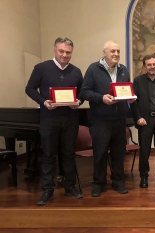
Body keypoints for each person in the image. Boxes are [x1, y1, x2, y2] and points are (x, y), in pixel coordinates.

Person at [25, 37, 83, 205]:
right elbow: (29, 88)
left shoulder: (76, 71)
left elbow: (83, 92)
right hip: (49, 118)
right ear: (55, 50)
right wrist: (43, 101)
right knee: (49, 155)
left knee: (68, 154)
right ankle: (47, 190)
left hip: (71, 119)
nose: (65, 55)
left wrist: (78, 102)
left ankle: (70, 186)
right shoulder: (41, 68)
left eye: (68, 52)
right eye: (61, 51)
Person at [80, 40, 134, 197]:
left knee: (118, 153)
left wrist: (130, 97)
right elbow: (84, 92)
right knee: (100, 153)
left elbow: (126, 90)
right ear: (104, 52)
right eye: (113, 51)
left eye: (118, 51)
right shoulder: (93, 69)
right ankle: (98, 183)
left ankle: (118, 182)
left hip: (119, 119)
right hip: (100, 120)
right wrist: (101, 98)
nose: (116, 54)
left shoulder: (123, 70)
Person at [131, 54, 155, 188]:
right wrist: (138, 118)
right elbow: (134, 102)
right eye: (149, 65)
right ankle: (144, 177)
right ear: (145, 66)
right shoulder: (138, 81)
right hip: (145, 122)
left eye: (154, 64)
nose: (152, 67)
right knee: (144, 151)